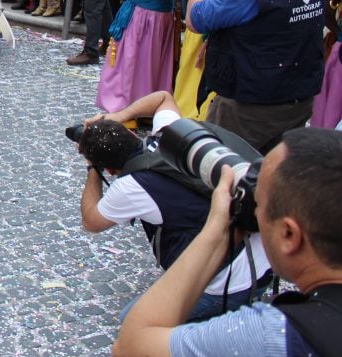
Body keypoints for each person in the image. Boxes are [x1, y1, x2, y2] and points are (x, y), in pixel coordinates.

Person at [113, 128, 342, 357]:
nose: (254, 211)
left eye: (258, 203)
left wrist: (216, 231)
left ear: (288, 235)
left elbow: (129, 351)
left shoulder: (274, 339)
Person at [77, 118, 270, 322]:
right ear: (133, 134)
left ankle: (224, 319)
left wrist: (92, 168)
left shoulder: (131, 186)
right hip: (266, 251)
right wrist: (118, 114)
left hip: (231, 283)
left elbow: (91, 221)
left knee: (132, 320)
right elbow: (162, 97)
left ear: (110, 169)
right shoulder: (168, 135)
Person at [187, 0, 330, 152]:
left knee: (231, 168)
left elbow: (196, 20)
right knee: (278, 169)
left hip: (252, 104)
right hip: (300, 95)